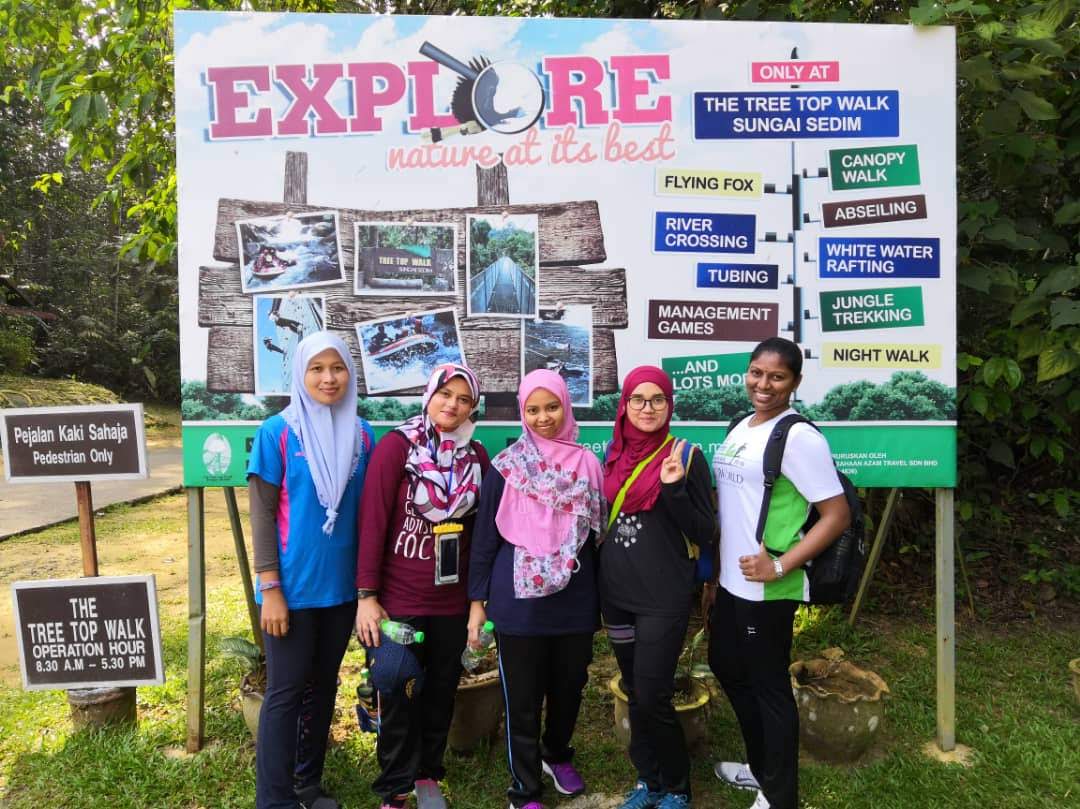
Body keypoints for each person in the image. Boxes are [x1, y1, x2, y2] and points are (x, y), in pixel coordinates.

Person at [706, 337, 851, 809]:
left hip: (768, 588)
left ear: (795, 382)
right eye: (756, 372)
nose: (763, 384)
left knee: (768, 686)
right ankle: (762, 765)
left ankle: (779, 794)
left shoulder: (799, 437)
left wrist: (780, 565)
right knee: (727, 666)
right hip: (732, 582)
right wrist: (715, 577)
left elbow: (837, 515)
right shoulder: (742, 425)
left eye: (777, 376)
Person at [247, 332, 375, 809]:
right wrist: (270, 587)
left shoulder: (363, 435)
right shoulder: (277, 432)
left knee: (323, 688)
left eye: (337, 368)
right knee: (285, 693)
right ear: (300, 374)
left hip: (341, 591)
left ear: (349, 374)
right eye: (316, 369)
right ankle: (274, 799)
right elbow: (262, 513)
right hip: (291, 591)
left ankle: (307, 785)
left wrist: (367, 590)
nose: (328, 378)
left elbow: (368, 515)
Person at [468, 369, 606, 809]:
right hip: (518, 600)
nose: (543, 418)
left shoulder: (588, 464)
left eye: (552, 407)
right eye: (533, 409)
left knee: (570, 686)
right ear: (522, 413)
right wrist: (477, 603)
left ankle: (556, 754)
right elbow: (485, 539)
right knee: (522, 698)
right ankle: (524, 788)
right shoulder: (506, 466)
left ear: (566, 406)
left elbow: (597, 538)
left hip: (575, 595)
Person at [355, 364, 491, 809]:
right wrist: (367, 596)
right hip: (400, 599)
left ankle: (428, 772)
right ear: (429, 395)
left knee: (440, 688)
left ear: (472, 407)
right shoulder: (397, 447)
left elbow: (482, 538)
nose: (453, 405)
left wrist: (478, 602)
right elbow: (373, 521)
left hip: (451, 601)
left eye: (464, 399)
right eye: (445, 394)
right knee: (396, 679)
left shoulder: (477, 457)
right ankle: (395, 784)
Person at [600, 366, 715, 809]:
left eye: (658, 399)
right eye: (638, 399)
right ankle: (648, 780)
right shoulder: (613, 454)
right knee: (633, 688)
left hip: (662, 597)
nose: (647, 408)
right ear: (624, 405)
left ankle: (677, 787)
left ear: (670, 404)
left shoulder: (686, 456)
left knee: (653, 693)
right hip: (616, 594)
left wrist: (674, 490)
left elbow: (705, 531)